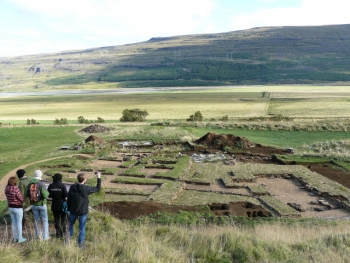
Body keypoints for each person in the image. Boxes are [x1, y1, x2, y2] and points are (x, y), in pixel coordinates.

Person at [67, 171, 101, 248]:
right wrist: (98, 177)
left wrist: (69, 208)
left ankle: (67, 242)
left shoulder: (72, 187)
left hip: (73, 210)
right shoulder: (86, 189)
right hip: (83, 211)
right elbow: (97, 188)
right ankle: (81, 245)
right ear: (84, 180)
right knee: (82, 228)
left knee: (70, 226)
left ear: (78, 179)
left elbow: (69, 198)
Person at [26, 170, 50, 240]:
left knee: (37, 220)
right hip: (42, 204)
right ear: (41, 175)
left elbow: (26, 194)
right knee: (45, 220)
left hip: (33, 204)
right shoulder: (41, 184)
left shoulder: (30, 183)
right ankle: (45, 237)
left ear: (34, 175)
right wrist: (48, 193)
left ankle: (38, 235)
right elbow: (45, 195)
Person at [4, 176, 26, 243]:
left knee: (14, 223)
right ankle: (20, 238)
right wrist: (23, 201)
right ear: (14, 182)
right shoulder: (16, 188)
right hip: (18, 207)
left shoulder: (6, 188)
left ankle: (15, 238)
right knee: (19, 223)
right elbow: (21, 198)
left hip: (11, 207)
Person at [48, 173, 68, 238]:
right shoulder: (62, 186)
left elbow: (48, 194)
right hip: (62, 204)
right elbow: (66, 195)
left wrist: (53, 195)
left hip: (54, 204)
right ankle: (64, 232)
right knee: (63, 219)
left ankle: (58, 233)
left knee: (56, 219)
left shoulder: (51, 185)